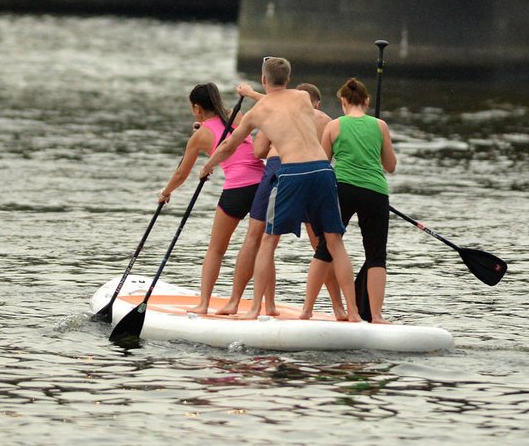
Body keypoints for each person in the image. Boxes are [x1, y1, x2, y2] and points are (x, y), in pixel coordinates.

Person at [200, 57, 361, 322]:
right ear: (288, 79)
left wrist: (208, 165)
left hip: (293, 172)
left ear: (264, 80)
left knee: (268, 241)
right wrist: (256, 94)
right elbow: (281, 103)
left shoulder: (257, 113)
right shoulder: (302, 98)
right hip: (322, 170)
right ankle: (352, 313)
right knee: (334, 242)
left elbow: (230, 147)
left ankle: (254, 309)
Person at [157, 83, 265, 315]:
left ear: (197, 108)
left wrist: (166, 192)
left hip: (237, 189)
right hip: (262, 184)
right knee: (254, 244)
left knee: (216, 249)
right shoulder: (236, 116)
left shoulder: (200, 136)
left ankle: (204, 303)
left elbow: (181, 173)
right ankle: (235, 301)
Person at [321, 78, 397, 324]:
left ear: (343, 102)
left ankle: (312, 309)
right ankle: (376, 316)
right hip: (375, 192)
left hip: (342, 190)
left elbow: (322, 166)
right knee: (376, 255)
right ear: (366, 101)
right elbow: (390, 166)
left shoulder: (333, 126)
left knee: (327, 247)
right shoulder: (380, 126)